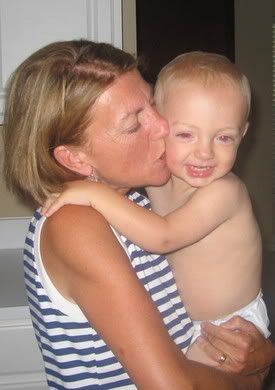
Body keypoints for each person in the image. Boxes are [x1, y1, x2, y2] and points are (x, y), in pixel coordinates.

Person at [3, 41, 274, 389]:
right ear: (76, 159)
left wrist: (261, 354)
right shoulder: (75, 225)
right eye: (134, 124)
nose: (163, 127)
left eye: (152, 105)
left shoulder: (140, 206)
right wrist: (249, 380)